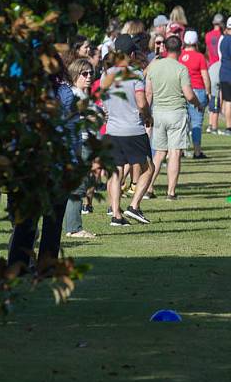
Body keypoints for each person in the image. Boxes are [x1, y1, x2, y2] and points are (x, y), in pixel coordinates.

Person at [8, 55, 75, 273]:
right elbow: (70, 133)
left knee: (26, 222)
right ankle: (46, 266)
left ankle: (18, 266)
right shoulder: (63, 93)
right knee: (52, 221)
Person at [101, 34, 154, 226]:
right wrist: (148, 116)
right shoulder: (136, 74)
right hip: (133, 129)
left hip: (112, 129)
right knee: (149, 168)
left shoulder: (105, 75)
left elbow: (104, 103)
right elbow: (141, 103)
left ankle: (116, 214)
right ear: (132, 54)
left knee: (115, 172)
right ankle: (134, 206)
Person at [145, 36, 206, 199]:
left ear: (164, 48)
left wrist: (146, 114)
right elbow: (188, 94)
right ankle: (171, 192)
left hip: (158, 113)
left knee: (159, 154)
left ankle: (149, 188)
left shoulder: (154, 67)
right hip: (176, 113)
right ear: (180, 49)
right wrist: (198, 104)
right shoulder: (181, 69)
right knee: (175, 153)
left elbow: (148, 93)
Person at [63, 58, 99, 239]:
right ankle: (74, 228)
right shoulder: (74, 94)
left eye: (91, 73)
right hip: (79, 144)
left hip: (85, 143)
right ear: (75, 75)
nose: (89, 77)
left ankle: (72, 226)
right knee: (77, 187)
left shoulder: (83, 95)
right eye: (84, 74)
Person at [178, 30, 211, 159]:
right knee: (196, 122)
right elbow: (205, 76)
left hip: (182, 90)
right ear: (196, 42)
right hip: (198, 90)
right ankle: (197, 151)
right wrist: (208, 92)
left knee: (182, 122)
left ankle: (179, 150)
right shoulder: (200, 57)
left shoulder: (180, 56)